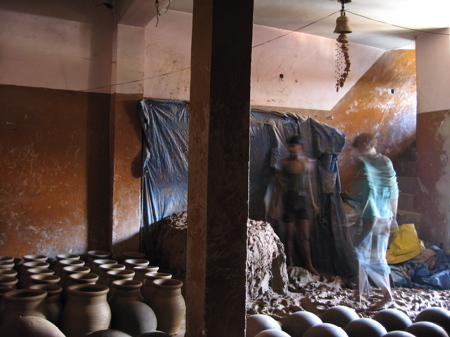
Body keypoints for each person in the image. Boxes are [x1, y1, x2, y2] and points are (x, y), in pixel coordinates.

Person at [351, 133, 399, 310]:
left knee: (365, 256)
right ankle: (360, 293)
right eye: (359, 148)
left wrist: (393, 214)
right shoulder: (370, 163)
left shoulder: (381, 163)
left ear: (373, 144)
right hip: (375, 215)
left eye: (364, 147)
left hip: (377, 217)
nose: (361, 151)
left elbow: (387, 191)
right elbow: (372, 194)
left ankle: (386, 295)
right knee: (374, 257)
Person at [280, 135, 319, 275]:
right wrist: (276, 203)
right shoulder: (284, 162)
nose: (292, 149)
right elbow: (281, 183)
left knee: (304, 236)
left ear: (300, 147)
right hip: (290, 199)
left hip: (303, 200)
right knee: (289, 234)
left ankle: (309, 265)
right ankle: (289, 263)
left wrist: (313, 203)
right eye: (290, 146)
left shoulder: (308, 162)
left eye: (294, 146)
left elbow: (309, 183)